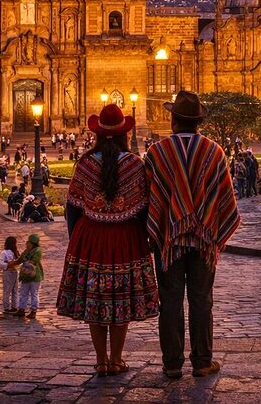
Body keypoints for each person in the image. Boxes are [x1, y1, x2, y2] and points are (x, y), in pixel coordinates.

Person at [58, 104, 160, 377]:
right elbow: (145, 207)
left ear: (98, 134)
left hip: (90, 236)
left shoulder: (86, 163)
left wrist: (74, 240)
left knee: (96, 298)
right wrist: (146, 239)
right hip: (127, 238)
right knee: (121, 300)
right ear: (126, 134)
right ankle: (117, 358)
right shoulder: (135, 164)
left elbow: (72, 206)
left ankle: (101, 360)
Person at [145, 90, 240, 380]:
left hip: (169, 241)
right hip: (203, 239)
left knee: (170, 300)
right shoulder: (214, 151)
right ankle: (202, 361)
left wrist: (163, 225)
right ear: (198, 122)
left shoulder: (157, 152)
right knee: (202, 299)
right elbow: (225, 197)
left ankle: (172, 363)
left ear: (173, 119)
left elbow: (149, 196)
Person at [12, 233, 44, 319]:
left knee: (34, 294)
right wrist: (12, 263)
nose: (26, 244)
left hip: (34, 275)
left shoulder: (38, 251)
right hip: (25, 276)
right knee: (23, 293)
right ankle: (21, 309)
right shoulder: (26, 251)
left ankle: (34, 311)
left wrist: (24, 260)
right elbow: (20, 260)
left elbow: (32, 262)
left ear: (32, 243)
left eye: (28, 242)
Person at [0, 235, 20, 314]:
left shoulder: (16, 252)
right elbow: (0, 264)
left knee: (15, 290)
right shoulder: (4, 252)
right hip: (8, 272)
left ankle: (14, 306)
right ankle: (6, 307)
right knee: (7, 290)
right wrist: (8, 265)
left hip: (15, 272)